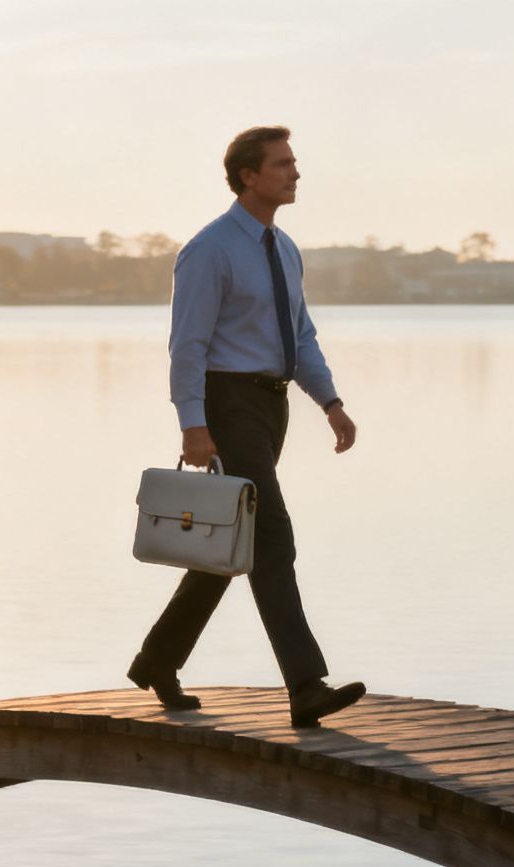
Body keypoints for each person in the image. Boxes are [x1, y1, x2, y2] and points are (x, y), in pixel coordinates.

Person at [126, 126, 366, 728]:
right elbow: (187, 345)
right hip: (226, 403)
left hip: (271, 404)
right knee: (271, 537)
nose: (295, 173)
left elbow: (301, 335)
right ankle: (306, 685)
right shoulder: (209, 250)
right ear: (248, 176)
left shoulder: (283, 249)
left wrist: (330, 402)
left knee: (231, 544)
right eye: (282, 164)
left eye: (295, 163)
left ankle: (158, 660)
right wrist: (192, 424)